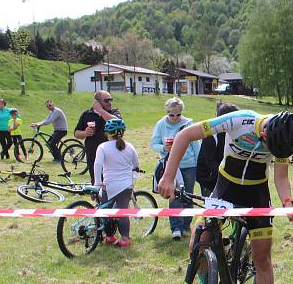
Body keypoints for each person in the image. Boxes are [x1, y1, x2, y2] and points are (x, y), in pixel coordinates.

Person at [158, 110, 293, 284]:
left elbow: (281, 177)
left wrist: (288, 203)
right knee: (200, 239)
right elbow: (185, 135)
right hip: (226, 187)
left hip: (257, 193)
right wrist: (168, 176)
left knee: (262, 257)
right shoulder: (239, 120)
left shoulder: (282, 139)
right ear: (264, 132)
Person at [150, 98, 200, 240]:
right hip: (171, 166)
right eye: (172, 115)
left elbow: (196, 147)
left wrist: (199, 164)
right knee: (173, 196)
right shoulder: (161, 124)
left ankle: (186, 226)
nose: (175, 118)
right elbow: (153, 143)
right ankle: (176, 228)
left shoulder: (189, 124)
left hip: (189, 165)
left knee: (188, 196)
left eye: (178, 115)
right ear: (167, 112)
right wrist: (163, 148)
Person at [94, 119, 139, 248]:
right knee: (122, 212)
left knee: (105, 211)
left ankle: (109, 236)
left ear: (107, 133)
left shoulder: (102, 147)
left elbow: (98, 165)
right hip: (125, 186)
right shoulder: (129, 146)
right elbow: (135, 164)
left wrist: (97, 182)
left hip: (108, 184)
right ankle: (125, 238)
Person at [74, 91, 121, 183]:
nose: (110, 102)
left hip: (111, 154)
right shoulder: (87, 114)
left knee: (111, 182)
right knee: (96, 183)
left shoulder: (114, 112)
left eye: (111, 100)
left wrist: (100, 110)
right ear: (97, 102)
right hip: (93, 155)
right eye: (107, 100)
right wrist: (85, 133)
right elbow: (76, 133)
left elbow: (117, 122)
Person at [196, 102, 239, 197]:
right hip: (209, 179)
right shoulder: (211, 135)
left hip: (228, 178)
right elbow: (210, 161)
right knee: (212, 207)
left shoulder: (236, 133)